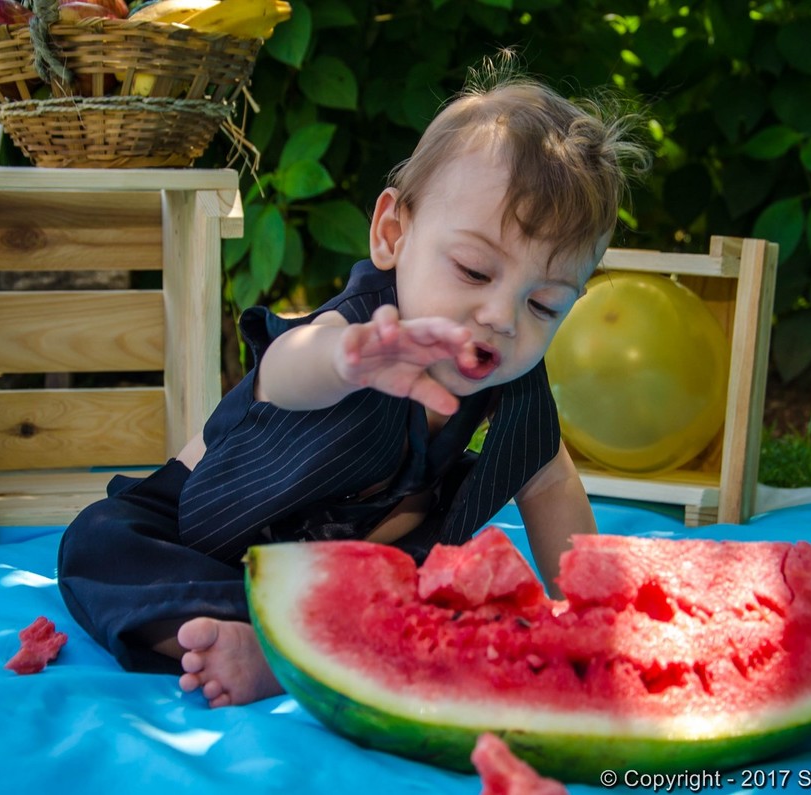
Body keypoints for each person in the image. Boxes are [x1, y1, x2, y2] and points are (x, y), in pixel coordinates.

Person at [57, 58, 649, 708]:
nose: (502, 318)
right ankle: (281, 645)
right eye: (475, 271)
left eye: (544, 305)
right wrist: (344, 361)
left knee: (462, 597)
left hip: (351, 574)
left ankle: (313, 646)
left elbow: (551, 481)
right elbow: (283, 371)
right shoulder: (359, 331)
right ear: (393, 234)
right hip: (208, 537)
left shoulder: (513, 382)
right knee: (100, 543)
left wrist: (593, 615)